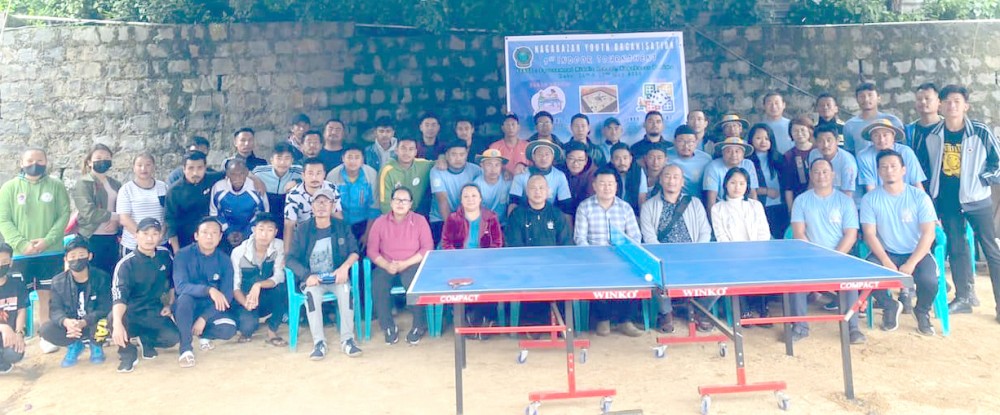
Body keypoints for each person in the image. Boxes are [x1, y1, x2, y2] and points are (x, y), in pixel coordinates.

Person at [921, 84, 1000, 320]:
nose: (951, 105)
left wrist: (980, 181)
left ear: (966, 106)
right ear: (941, 106)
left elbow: (997, 164)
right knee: (956, 249)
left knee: (991, 250)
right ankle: (964, 298)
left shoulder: (980, 131)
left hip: (977, 200)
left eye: (956, 101)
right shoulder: (933, 134)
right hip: (948, 201)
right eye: (946, 101)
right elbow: (927, 168)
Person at [860, 149, 939, 335]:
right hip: (886, 252)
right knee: (867, 276)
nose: (889, 170)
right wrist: (886, 261)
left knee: (930, 281)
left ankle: (921, 312)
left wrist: (911, 262)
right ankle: (890, 306)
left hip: (916, 252)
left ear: (903, 170)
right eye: (884, 167)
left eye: (894, 166)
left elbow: (929, 233)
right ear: (878, 171)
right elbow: (869, 234)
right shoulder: (870, 199)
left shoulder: (920, 197)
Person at [789, 159, 865, 344]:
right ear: (811, 175)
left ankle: (852, 328)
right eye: (816, 172)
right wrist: (815, 258)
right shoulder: (801, 200)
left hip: (839, 257)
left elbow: (851, 234)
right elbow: (799, 233)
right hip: (809, 258)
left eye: (825, 172)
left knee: (850, 281)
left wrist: (833, 258)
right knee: (794, 278)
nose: (820, 175)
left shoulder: (845, 201)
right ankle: (800, 327)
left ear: (833, 175)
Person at [286, 189, 363, 359]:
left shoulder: (341, 226)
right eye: (317, 202)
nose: (321, 206)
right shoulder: (303, 229)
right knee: (312, 296)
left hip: (336, 278)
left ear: (333, 206)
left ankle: (348, 340)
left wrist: (344, 268)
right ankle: (319, 343)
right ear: (312, 207)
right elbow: (290, 259)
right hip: (313, 280)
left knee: (346, 292)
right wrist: (307, 276)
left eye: (326, 202)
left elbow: (354, 251)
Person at [0, 148, 71, 326]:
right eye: (30, 161)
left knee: (47, 294)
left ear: (46, 162)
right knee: (16, 295)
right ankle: (16, 333)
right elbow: (3, 219)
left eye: (40, 160)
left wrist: (46, 241)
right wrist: (21, 244)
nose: (35, 164)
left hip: (50, 252)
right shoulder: (9, 188)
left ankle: (45, 332)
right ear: (21, 163)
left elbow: (64, 216)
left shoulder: (56, 186)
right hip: (19, 253)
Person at [640, 166, 713, 333]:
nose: (671, 180)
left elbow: (705, 231)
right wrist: (664, 258)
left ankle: (700, 310)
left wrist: (696, 253)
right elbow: (649, 237)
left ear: (682, 182)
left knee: (718, 276)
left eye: (675, 177)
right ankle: (666, 313)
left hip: (693, 255)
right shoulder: (649, 206)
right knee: (655, 274)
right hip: (664, 258)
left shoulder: (694, 203)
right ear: (660, 180)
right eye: (667, 176)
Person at [574, 167, 644, 337]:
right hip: (595, 258)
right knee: (597, 275)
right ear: (594, 186)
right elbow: (580, 238)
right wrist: (594, 256)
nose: (607, 188)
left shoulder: (625, 208)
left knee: (636, 273)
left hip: (621, 256)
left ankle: (625, 320)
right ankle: (603, 319)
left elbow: (635, 236)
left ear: (616, 186)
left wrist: (623, 254)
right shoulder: (585, 207)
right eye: (602, 184)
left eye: (610, 184)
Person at [109, 218, 179, 373]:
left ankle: (146, 340)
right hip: (130, 311)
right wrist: (117, 324)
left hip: (154, 309)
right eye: (145, 233)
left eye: (155, 234)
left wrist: (170, 304)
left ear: (160, 236)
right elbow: (119, 296)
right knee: (113, 318)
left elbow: (173, 282)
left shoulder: (164, 255)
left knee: (172, 338)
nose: (150, 238)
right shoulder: (126, 264)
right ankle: (127, 353)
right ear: (136, 235)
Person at [367, 187, 434, 345]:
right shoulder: (380, 222)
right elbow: (371, 250)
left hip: (411, 263)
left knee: (413, 283)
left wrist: (406, 263)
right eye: (397, 199)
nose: (400, 203)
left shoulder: (419, 220)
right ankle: (388, 326)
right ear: (391, 202)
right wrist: (386, 264)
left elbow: (427, 248)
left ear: (410, 204)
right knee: (378, 283)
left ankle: (419, 325)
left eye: (404, 200)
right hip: (387, 264)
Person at [505, 175, 573, 328]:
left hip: (554, 267)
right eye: (533, 188)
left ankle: (560, 323)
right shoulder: (517, 215)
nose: (537, 191)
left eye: (541, 188)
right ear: (526, 192)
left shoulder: (556, 214)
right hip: (526, 267)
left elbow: (566, 244)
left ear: (548, 191)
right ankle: (534, 324)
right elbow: (514, 246)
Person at [172, 216, 238, 368]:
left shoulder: (224, 259)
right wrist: (209, 290)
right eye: (205, 232)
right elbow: (181, 287)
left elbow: (227, 294)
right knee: (184, 299)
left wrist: (204, 317)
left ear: (221, 237)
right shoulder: (183, 255)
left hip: (210, 308)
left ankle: (204, 334)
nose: (209, 237)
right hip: (187, 306)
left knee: (229, 329)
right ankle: (186, 349)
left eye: (214, 233)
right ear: (196, 235)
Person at [40, 236, 112, 367]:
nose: (77, 259)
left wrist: (85, 321)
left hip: (93, 324)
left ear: (89, 256)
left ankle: (96, 344)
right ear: (66, 259)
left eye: (81, 255)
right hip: (72, 326)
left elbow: (106, 307)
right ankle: (74, 345)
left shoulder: (102, 277)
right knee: (46, 329)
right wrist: (66, 322)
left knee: (108, 318)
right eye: (72, 256)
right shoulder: (58, 281)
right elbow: (55, 309)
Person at [711, 167, 772, 323]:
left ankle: (763, 308)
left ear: (747, 186)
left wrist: (756, 252)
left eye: (741, 183)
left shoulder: (755, 205)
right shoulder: (717, 208)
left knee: (762, 268)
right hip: (731, 255)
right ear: (725, 185)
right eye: (733, 183)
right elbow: (721, 236)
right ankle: (743, 310)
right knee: (733, 270)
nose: (737, 187)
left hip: (756, 252)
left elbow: (763, 232)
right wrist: (736, 254)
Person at [441, 184, 504, 332]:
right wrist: (460, 259)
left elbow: (497, 243)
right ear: (461, 200)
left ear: (480, 198)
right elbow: (446, 243)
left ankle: (485, 320)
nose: (470, 199)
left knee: (487, 283)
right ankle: (471, 319)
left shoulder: (491, 217)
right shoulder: (453, 218)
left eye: (474, 196)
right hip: (459, 263)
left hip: (485, 263)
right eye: (466, 196)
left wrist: (482, 260)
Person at [231, 213, 287, 345]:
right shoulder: (239, 252)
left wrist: (258, 285)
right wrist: (246, 303)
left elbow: (279, 276)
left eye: (269, 230)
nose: (264, 234)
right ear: (253, 230)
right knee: (248, 327)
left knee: (283, 289)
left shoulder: (279, 246)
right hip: (247, 298)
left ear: (275, 232)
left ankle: (272, 330)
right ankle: (248, 323)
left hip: (266, 295)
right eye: (261, 229)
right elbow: (235, 286)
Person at [73, 144, 122, 275]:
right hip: (91, 237)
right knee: (93, 275)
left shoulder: (115, 184)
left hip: (112, 238)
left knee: (111, 275)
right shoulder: (84, 183)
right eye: (98, 157)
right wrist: (114, 217)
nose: (103, 160)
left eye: (106, 158)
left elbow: (122, 208)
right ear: (89, 162)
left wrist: (117, 222)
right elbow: (88, 212)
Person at [165, 151, 227, 252]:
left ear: (205, 167)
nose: (195, 173)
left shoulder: (212, 179)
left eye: (199, 168)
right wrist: (177, 251)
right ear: (184, 169)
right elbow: (170, 222)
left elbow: (234, 171)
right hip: (185, 242)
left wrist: (254, 178)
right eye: (190, 168)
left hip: (212, 239)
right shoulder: (174, 191)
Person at [430, 141, 483, 244]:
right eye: (454, 154)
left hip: (468, 218)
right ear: (446, 155)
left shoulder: (476, 170)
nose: (458, 158)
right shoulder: (436, 171)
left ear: (467, 154)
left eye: (462, 154)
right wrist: (452, 227)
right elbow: (442, 201)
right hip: (441, 219)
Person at [283, 158, 342, 250]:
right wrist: (287, 253)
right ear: (303, 175)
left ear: (324, 175)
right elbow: (289, 225)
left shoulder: (332, 189)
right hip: (303, 235)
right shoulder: (293, 194)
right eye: (310, 173)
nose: (314, 178)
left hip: (327, 232)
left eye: (318, 173)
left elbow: (337, 216)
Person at [211, 158, 269, 251]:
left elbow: (263, 215)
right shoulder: (218, 188)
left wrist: (246, 233)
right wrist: (228, 232)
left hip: (251, 233)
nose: (237, 178)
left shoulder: (257, 188)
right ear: (227, 174)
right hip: (225, 233)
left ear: (246, 173)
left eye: (241, 174)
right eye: (233, 174)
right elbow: (214, 213)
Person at [327, 145, 381, 245]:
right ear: (343, 158)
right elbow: (331, 206)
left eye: (357, 157)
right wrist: (342, 232)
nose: (353, 161)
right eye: (349, 157)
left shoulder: (371, 174)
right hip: (340, 223)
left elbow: (374, 207)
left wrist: (368, 233)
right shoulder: (333, 175)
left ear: (362, 160)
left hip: (365, 223)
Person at [117, 153, 168, 258]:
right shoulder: (126, 189)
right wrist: (143, 237)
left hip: (159, 244)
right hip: (133, 245)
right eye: (139, 165)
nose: (143, 168)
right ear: (134, 168)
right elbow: (124, 218)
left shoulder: (163, 187)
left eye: (148, 165)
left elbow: (168, 215)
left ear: (154, 167)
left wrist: (158, 236)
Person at [857, 119, 926, 192]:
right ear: (871, 138)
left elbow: (917, 183)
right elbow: (870, 188)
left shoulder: (906, 152)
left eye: (885, 135)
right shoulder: (864, 156)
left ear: (893, 137)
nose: (882, 140)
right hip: (879, 198)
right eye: (876, 135)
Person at [252, 142, 303, 239]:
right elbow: (244, 173)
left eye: (287, 158)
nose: (283, 163)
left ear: (292, 160)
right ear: (271, 160)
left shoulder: (299, 172)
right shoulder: (259, 172)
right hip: (266, 213)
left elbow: (312, 180)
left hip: (288, 215)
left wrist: (298, 182)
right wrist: (255, 179)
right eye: (279, 158)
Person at [508, 140, 572, 215]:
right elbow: (513, 203)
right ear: (533, 157)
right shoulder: (521, 174)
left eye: (547, 154)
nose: (544, 158)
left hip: (549, 216)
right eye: (540, 154)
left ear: (553, 157)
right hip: (524, 216)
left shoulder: (559, 176)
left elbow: (566, 206)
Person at [747, 124, 788, 239]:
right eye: (758, 138)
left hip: (780, 207)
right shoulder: (747, 161)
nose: (763, 142)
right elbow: (745, 186)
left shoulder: (779, 159)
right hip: (760, 206)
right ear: (751, 140)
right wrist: (765, 191)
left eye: (766, 138)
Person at [378, 136, 435, 216]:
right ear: (396, 150)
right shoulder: (387, 171)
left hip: (415, 215)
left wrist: (442, 158)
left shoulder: (423, 165)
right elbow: (385, 205)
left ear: (416, 152)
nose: (407, 152)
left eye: (411, 149)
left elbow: (440, 164)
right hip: (392, 216)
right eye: (403, 148)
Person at [843, 82, 905, 155]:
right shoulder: (850, 125)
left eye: (870, 95)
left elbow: (902, 148)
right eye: (862, 96)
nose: (866, 99)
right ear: (857, 100)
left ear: (878, 98)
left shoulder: (893, 121)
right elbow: (850, 153)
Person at [702, 137, 759, 213]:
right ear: (722, 153)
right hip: (722, 209)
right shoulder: (713, 166)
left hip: (745, 208)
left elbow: (752, 193)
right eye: (729, 151)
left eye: (737, 151)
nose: (733, 155)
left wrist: (755, 213)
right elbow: (711, 201)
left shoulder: (748, 164)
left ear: (743, 154)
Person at [808, 124, 858, 198]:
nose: (825, 145)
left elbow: (848, 194)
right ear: (815, 142)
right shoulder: (814, 154)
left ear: (837, 141)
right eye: (820, 141)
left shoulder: (847, 162)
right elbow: (812, 182)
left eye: (829, 140)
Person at [0, 243, 27, 374]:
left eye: (4, 261)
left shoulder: (17, 282)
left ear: (10, 262)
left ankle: (3, 362)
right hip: (4, 330)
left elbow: (21, 309)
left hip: (10, 334)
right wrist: (3, 326)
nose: (1, 265)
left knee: (14, 354)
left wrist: (19, 333)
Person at [781, 115, 817, 209]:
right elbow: (788, 187)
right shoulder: (788, 156)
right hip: (799, 201)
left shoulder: (819, 151)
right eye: (795, 131)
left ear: (810, 131)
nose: (799, 133)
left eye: (802, 130)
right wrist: (791, 208)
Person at [667, 125, 712, 199]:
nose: (686, 146)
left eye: (690, 142)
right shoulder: (664, 155)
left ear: (696, 142)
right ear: (674, 141)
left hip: (696, 203)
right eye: (681, 141)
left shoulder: (706, 159)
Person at [472, 149, 512, 226]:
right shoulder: (476, 185)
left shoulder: (507, 182)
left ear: (501, 167)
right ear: (482, 165)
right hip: (482, 225)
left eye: (497, 165)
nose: (493, 169)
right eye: (489, 165)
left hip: (502, 224)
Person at [608, 143, 648, 216]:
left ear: (631, 159)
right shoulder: (605, 172)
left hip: (633, 215)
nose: (622, 162)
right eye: (617, 158)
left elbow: (642, 199)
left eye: (625, 158)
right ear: (612, 160)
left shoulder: (638, 171)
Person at [562, 142, 598, 219]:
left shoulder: (595, 174)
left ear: (585, 161)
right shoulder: (559, 172)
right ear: (566, 159)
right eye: (571, 159)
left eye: (580, 160)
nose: (575, 163)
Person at [906, 83, 942, 162]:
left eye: (927, 98)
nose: (923, 102)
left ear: (938, 102)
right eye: (919, 99)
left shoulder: (947, 127)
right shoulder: (908, 131)